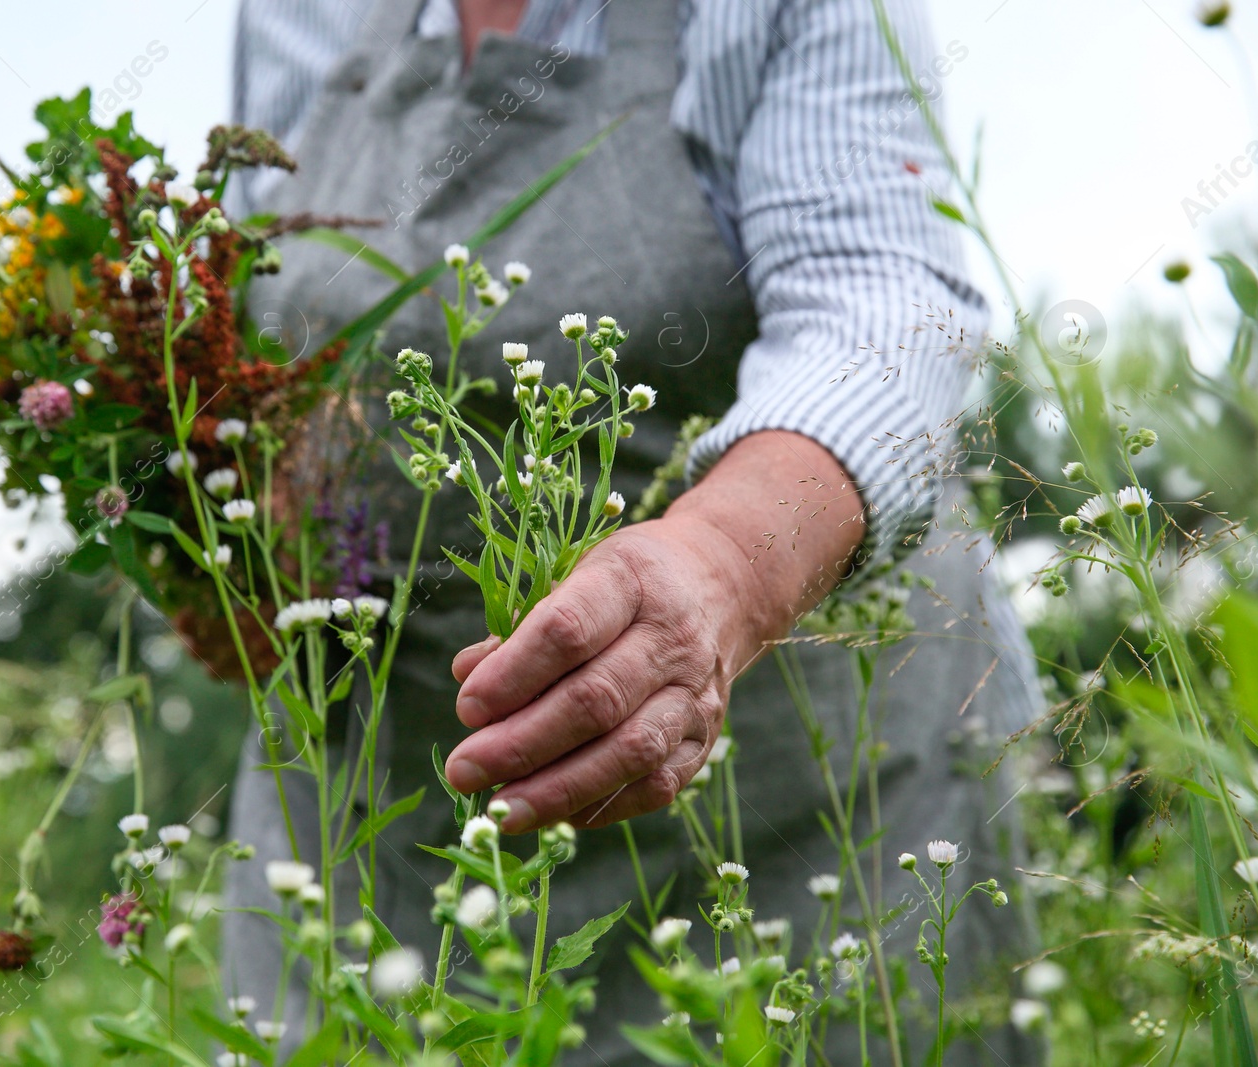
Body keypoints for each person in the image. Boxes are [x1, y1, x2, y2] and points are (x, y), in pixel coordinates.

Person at [223, 1, 1045, 1062]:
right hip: (369, 810)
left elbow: (879, 308)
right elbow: (255, 315)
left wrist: (720, 567)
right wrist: (219, 529)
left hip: (793, 818)